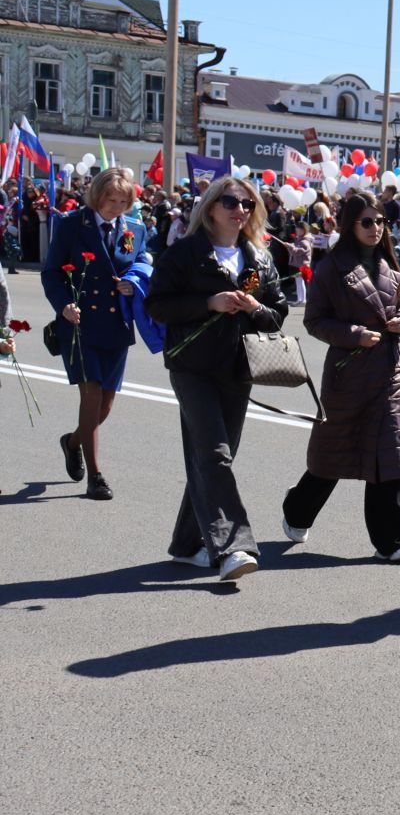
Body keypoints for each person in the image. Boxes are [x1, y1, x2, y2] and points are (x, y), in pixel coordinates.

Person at [145, 176, 290, 583]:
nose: (238, 210)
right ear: (210, 207)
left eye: (246, 204)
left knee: (215, 457)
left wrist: (254, 306)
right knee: (214, 453)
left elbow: (278, 313)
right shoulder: (185, 253)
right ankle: (234, 547)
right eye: (230, 201)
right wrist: (209, 303)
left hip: (237, 368)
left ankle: (187, 544)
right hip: (192, 367)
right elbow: (157, 305)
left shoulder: (259, 258)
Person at [282, 192, 400, 561]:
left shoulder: (391, 264)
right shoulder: (331, 268)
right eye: (368, 222)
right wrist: (353, 334)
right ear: (350, 225)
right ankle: (297, 510)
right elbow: (314, 321)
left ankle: (394, 541)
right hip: (348, 374)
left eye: (381, 222)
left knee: (390, 454)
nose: (376, 229)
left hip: (390, 374)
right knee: (333, 455)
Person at [40, 167, 152, 500]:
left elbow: (144, 260)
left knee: (105, 406)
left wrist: (133, 281)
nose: (115, 207)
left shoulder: (135, 227)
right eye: (110, 199)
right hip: (79, 324)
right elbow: (51, 273)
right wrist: (63, 306)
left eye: (123, 201)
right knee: (90, 398)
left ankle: (72, 442)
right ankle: (96, 476)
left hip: (116, 325)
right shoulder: (72, 224)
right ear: (96, 195)